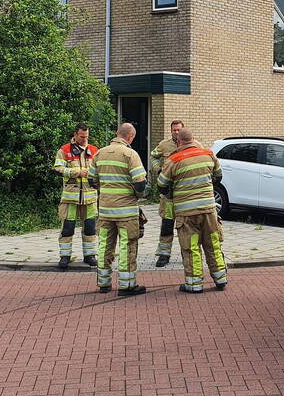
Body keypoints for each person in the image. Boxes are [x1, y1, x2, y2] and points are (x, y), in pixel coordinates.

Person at [157, 128, 228, 293]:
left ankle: (194, 284)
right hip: (209, 210)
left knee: (191, 248)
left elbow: (161, 184)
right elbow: (218, 176)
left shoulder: (174, 160)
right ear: (193, 139)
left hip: (187, 213)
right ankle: (221, 279)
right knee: (213, 244)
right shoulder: (208, 154)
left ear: (179, 141)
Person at [87, 123, 148, 296]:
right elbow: (140, 183)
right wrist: (137, 195)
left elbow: (92, 180)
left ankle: (103, 283)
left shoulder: (100, 153)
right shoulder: (130, 154)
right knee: (127, 246)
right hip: (126, 211)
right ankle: (127, 285)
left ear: (117, 134)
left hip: (105, 210)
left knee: (105, 245)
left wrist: (104, 191)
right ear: (130, 137)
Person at [149, 119, 202, 268]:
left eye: (179, 130)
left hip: (187, 194)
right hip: (169, 194)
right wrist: (158, 169)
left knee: (188, 226)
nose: (176, 133)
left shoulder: (196, 145)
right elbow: (153, 156)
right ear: (171, 131)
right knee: (167, 224)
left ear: (183, 130)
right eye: (174, 130)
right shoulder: (164, 145)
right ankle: (164, 255)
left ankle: (188, 254)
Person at [52, 124, 98, 269]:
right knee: (68, 227)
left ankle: (90, 255)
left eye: (86, 136)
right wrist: (76, 173)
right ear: (75, 135)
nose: (85, 139)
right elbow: (58, 168)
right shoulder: (64, 150)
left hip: (90, 197)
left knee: (90, 228)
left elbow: (100, 168)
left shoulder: (94, 150)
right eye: (82, 136)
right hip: (70, 197)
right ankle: (65, 257)